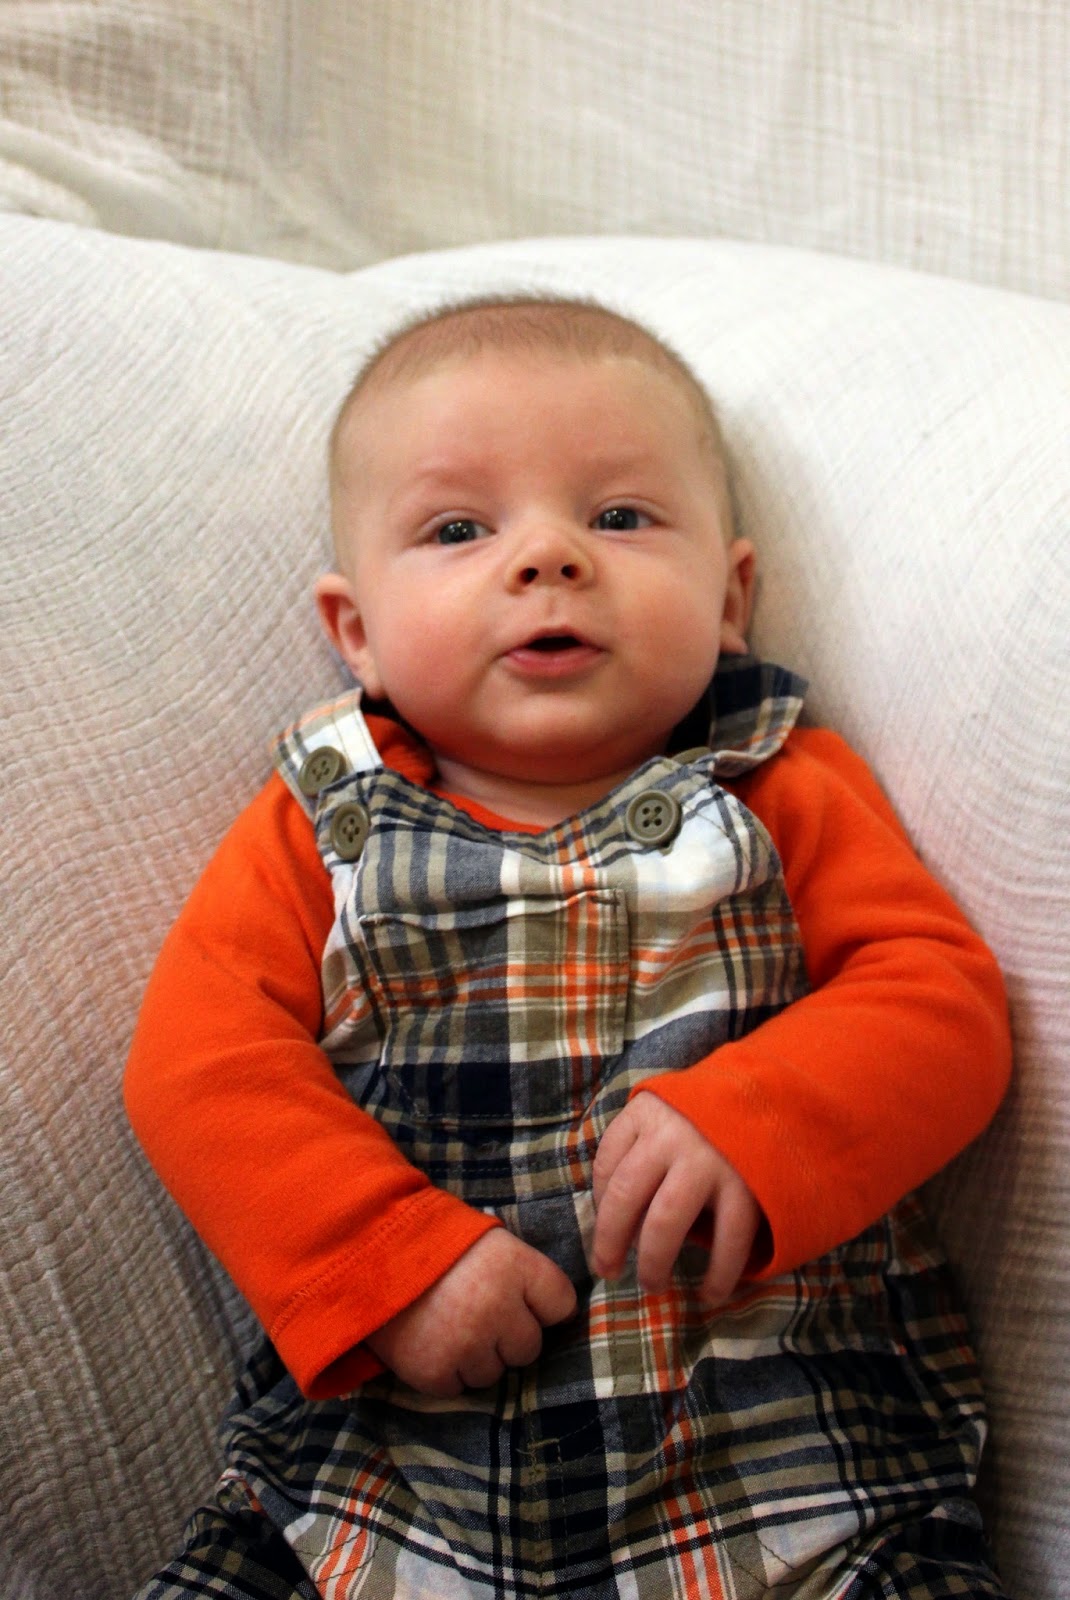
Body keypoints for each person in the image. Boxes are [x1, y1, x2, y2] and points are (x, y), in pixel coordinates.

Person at [125, 296, 1013, 1598]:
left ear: (730, 596)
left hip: (797, 1486)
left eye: (619, 517)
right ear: (356, 631)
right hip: (378, 1503)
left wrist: (763, 1116)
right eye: (458, 530)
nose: (547, 558)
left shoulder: (779, 786)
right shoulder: (319, 822)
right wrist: (383, 1260)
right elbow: (201, 1061)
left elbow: (938, 1003)